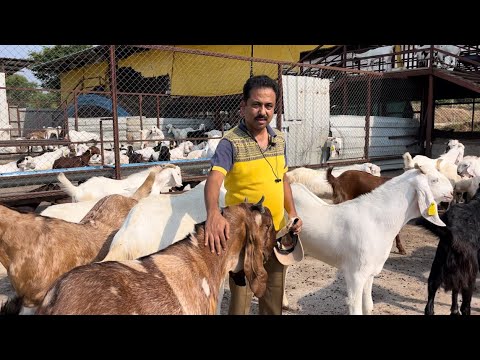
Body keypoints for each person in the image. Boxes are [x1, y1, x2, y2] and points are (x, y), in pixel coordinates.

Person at [204, 74, 303, 315]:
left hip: (277, 233)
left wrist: (292, 213)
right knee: (241, 302)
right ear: (243, 106)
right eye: (256, 104)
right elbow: (214, 179)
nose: (262, 111)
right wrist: (213, 214)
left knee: (273, 298)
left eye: (269, 106)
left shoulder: (279, 139)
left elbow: (283, 180)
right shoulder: (230, 143)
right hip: (244, 237)